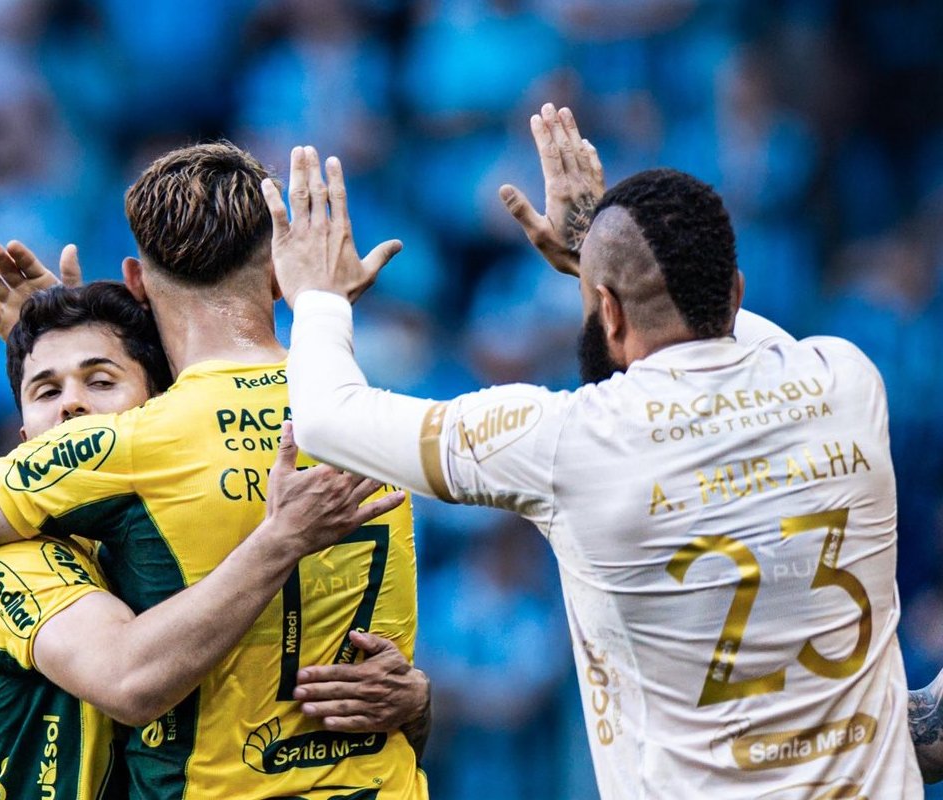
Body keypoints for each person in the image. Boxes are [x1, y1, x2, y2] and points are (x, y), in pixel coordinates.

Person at [268, 105, 921, 798]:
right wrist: (598, 263)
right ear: (735, 290)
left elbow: (327, 417)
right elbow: (726, 330)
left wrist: (317, 298)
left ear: (605, 311)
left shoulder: (567, 442)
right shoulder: (845, 380)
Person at [0, 143, 429, 799]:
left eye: (97, 380)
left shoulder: (131, 444)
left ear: (137, 281)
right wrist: (418, 703)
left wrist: (55, 434)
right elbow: (381, 696)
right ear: (277, 275)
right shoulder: (381, 420)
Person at [0, 280, 420, 799]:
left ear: (159, 407)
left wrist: (415, 703)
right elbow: (130, 681)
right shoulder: (20, 560)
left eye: (102, 381)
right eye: (46, 391)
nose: (71, 406)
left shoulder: (181, 539)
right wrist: (280, 541)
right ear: (22, 439)